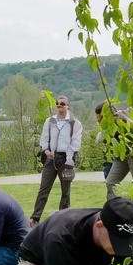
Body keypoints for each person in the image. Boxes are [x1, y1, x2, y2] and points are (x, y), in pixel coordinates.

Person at [30, 96, 83, 224]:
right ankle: (35, 218)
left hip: (67, 159)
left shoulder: (75, 123)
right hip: (51, 158)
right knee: (44, 188)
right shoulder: (50, 121)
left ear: (68, 105)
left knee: (66, 191)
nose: (60, 107)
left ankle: (63, 219)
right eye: (58, 104)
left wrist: (68, 157)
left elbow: (76, 143)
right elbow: (44, 138)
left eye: (62, 104)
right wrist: (46, 150)